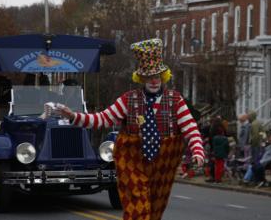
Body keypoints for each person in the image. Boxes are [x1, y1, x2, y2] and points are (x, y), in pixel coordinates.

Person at [57, 38, 205, 220]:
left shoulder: (175, 100)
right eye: (148, 76)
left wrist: (197, 150)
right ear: (141, 78)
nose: (153, 80)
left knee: (154, 211)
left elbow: (190, 127)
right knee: (139, 209)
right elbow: (102, 119)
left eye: (157, 76)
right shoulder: (129, 99)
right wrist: (73, 116)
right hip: (133, 162)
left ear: (163, 76)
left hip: (163, 164)